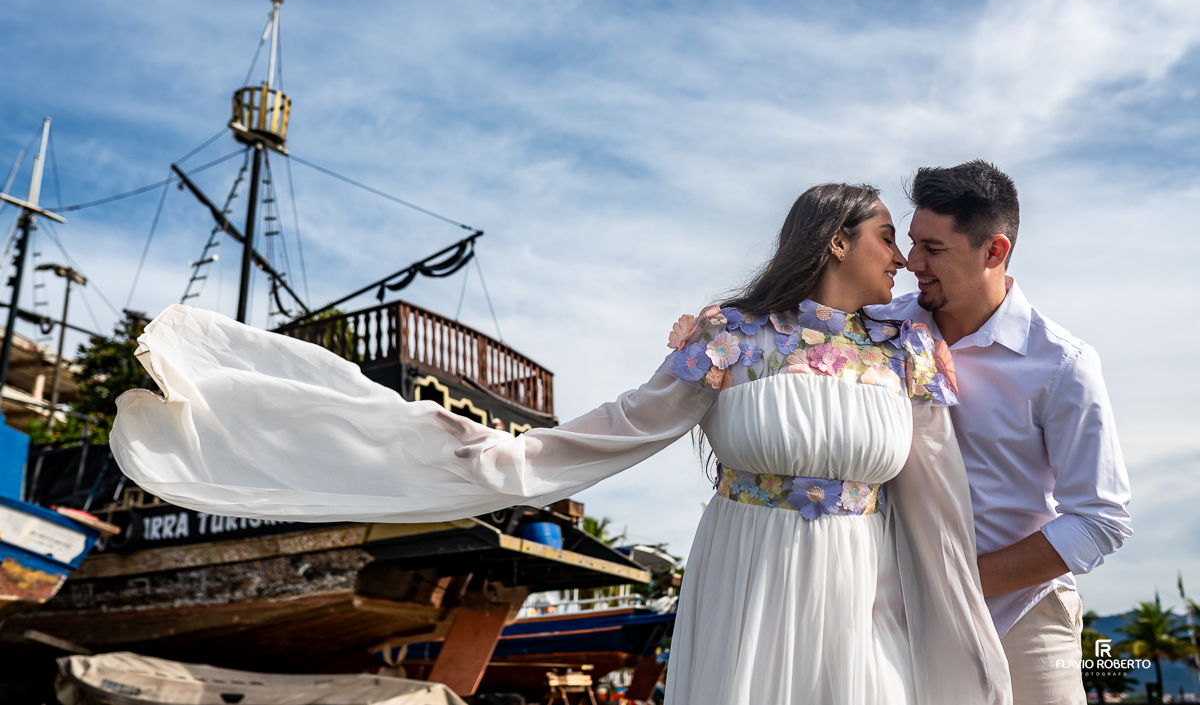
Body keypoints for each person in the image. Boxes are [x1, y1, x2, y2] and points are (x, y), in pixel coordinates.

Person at [111, 183, 1012, 705]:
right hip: (752, 573)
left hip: (864, 585)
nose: (901, 258)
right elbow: (619, 426)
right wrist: (490, 457)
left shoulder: (908, 353)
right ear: (836, 237)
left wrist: (965, 633)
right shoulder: (729, 339)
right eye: (891, 235)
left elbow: (938, 507)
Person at [874, 162, 1132, 705]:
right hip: (893, 619)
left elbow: (1100, 519)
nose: (911, 263)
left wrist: (954, 584)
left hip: (1024, 621)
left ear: (994, 251)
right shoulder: (876, 331)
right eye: (912, 242)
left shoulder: (1063, 364)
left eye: (934, 249)